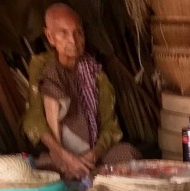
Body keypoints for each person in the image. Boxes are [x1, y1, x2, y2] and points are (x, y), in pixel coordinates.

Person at [22, 2, 139, 180]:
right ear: (50, 37)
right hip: (59, 152)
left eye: (78, 32)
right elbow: (34, 120)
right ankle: (86, 175)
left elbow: (111, 128)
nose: (73, 40)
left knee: (128, 154)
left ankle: (88, 174)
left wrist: (94, 154)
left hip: (92, 153)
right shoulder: (42, 66)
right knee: (38, 169)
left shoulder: (95, 73)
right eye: (63, 33)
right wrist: (64, 155)